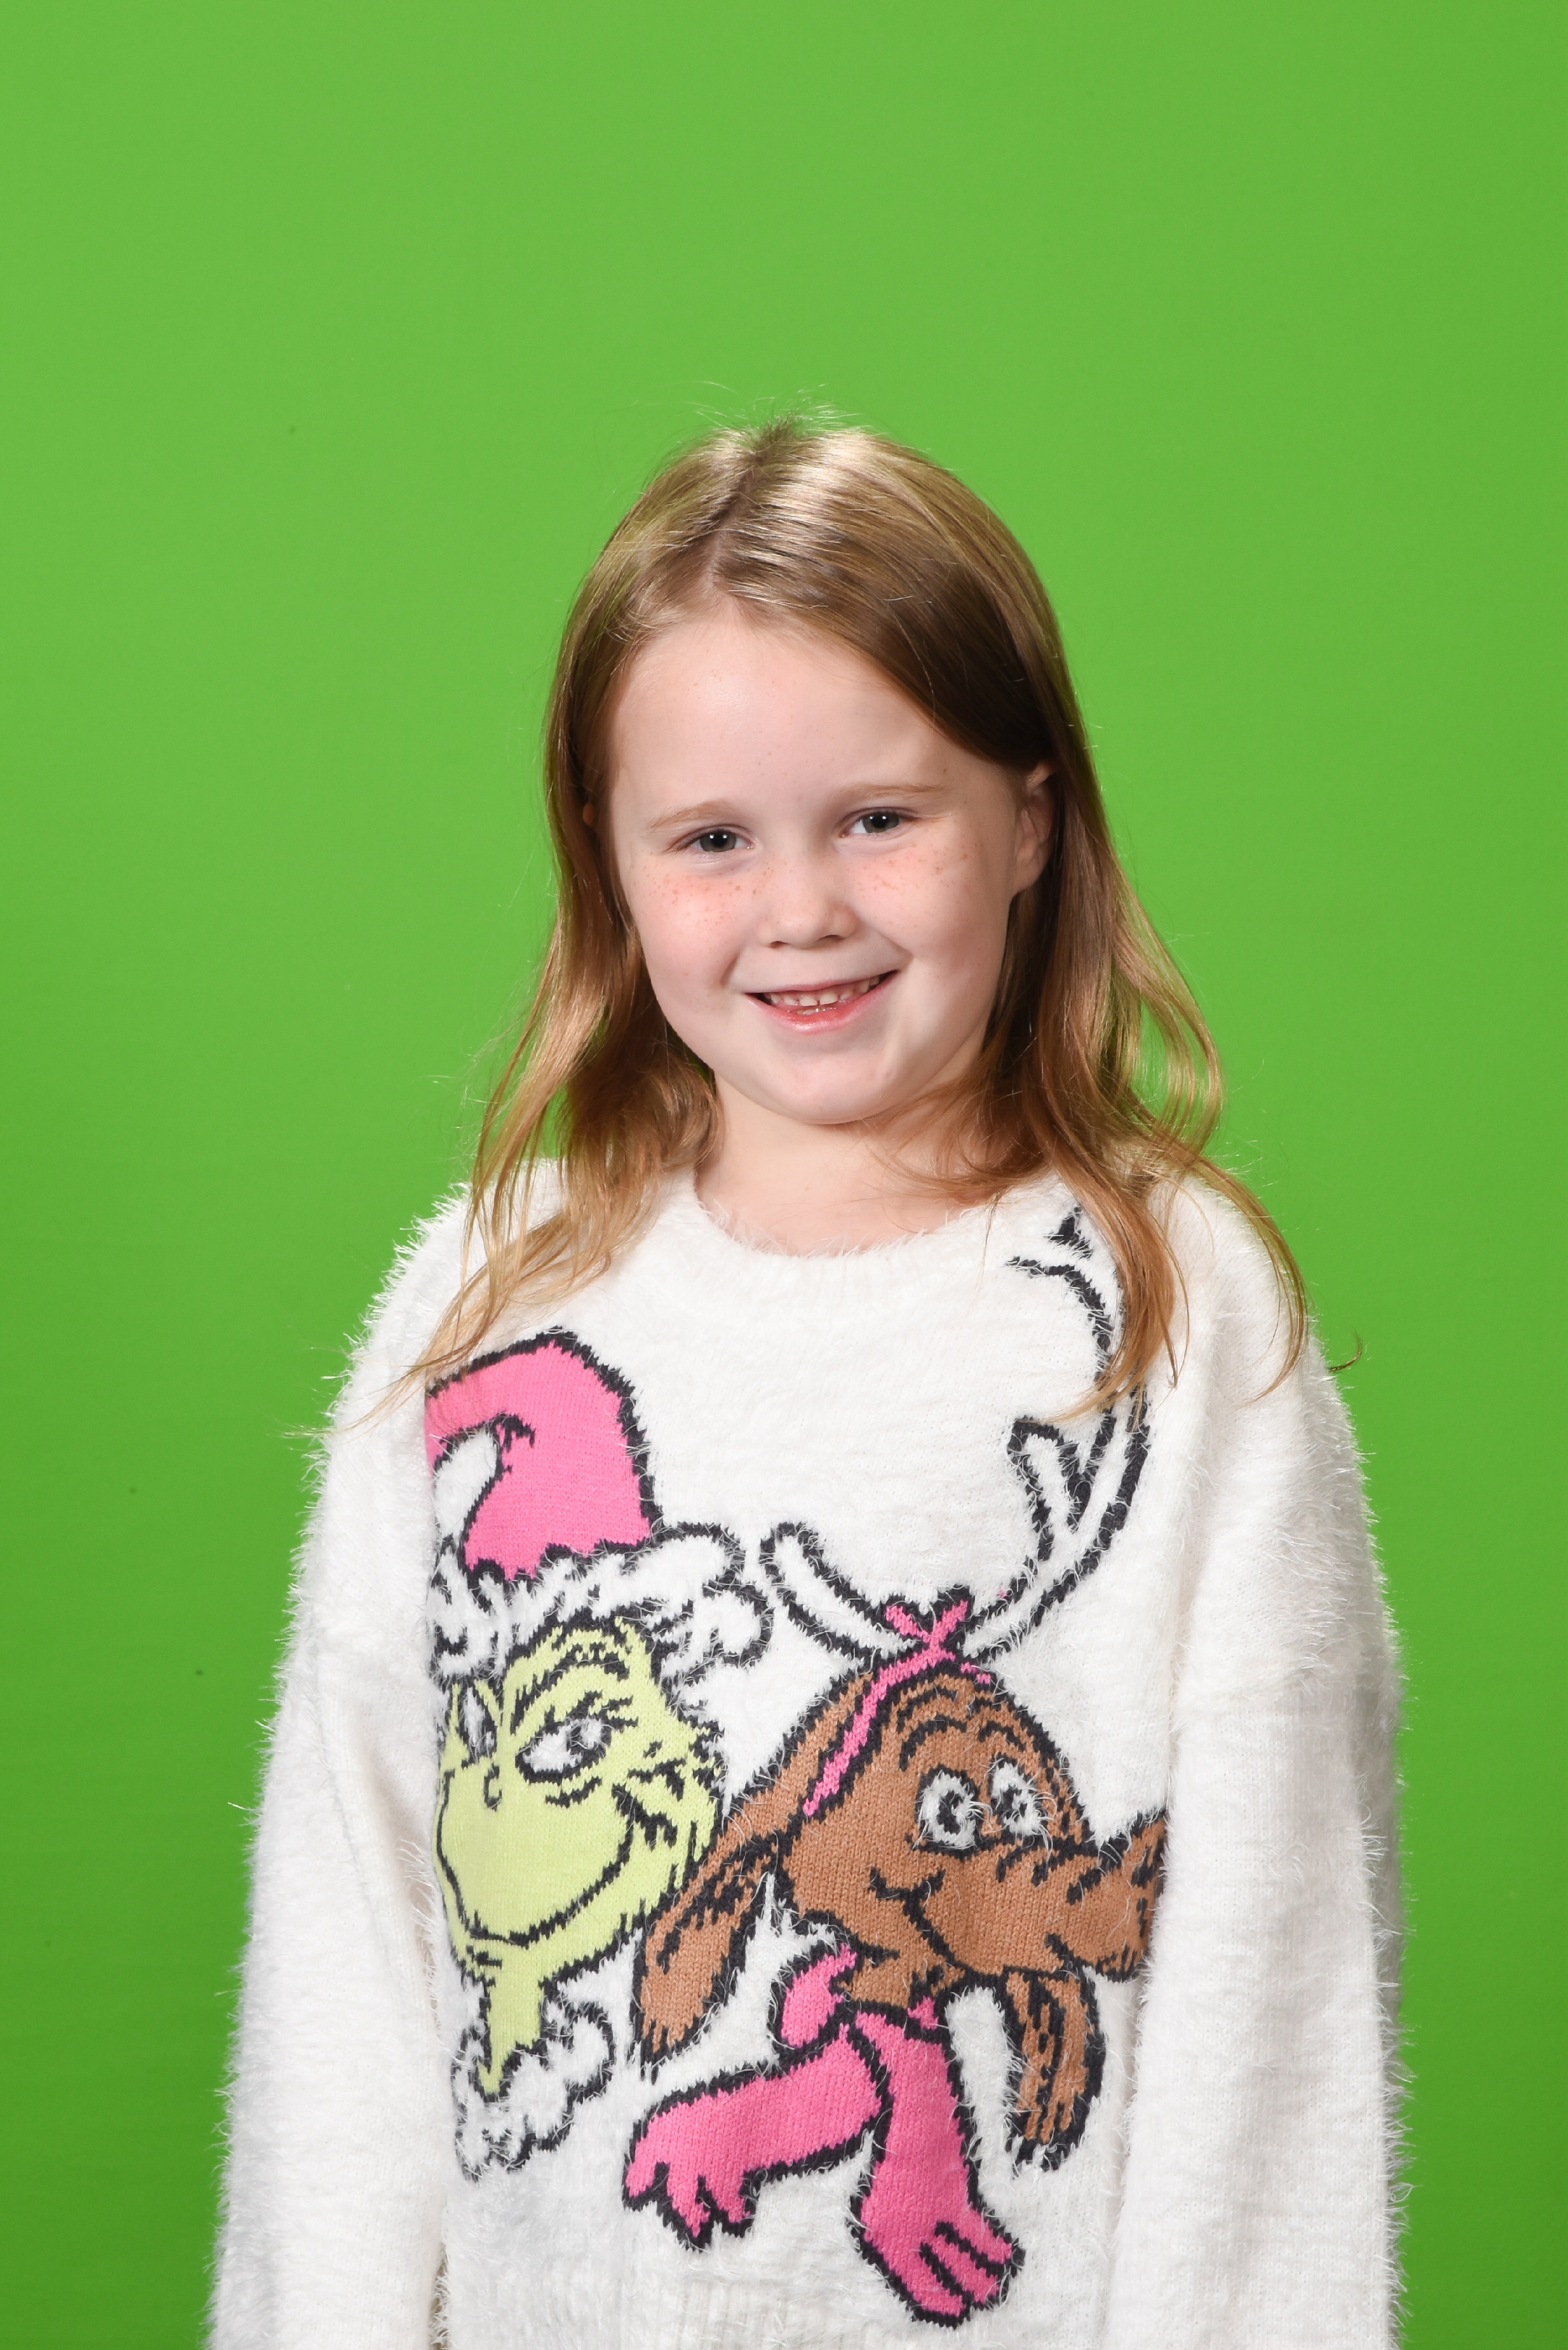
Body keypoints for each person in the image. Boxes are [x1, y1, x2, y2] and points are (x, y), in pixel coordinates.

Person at [213, 419, 1400, 2350]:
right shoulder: (490, 1302)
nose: (800, 912)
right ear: (606, 859)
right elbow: (349, 1954)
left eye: (877, 819)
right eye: (711, 839)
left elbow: (1274, 1999)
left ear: (1030, 820)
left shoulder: (1172, 1317)